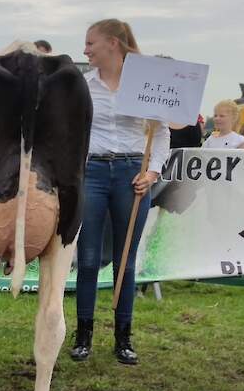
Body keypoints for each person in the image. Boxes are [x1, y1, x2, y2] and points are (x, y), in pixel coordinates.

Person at [69, 19, 170, 365]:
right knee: (87, 256)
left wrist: (152, 172)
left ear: (112, 43)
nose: (85, 50)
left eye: (90, 43)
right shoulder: (83, 86)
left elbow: (160, 134)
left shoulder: (145, 85)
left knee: (125, 262)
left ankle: (123, 338)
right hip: (92, 172)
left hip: (132, 174)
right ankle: (83, 335)